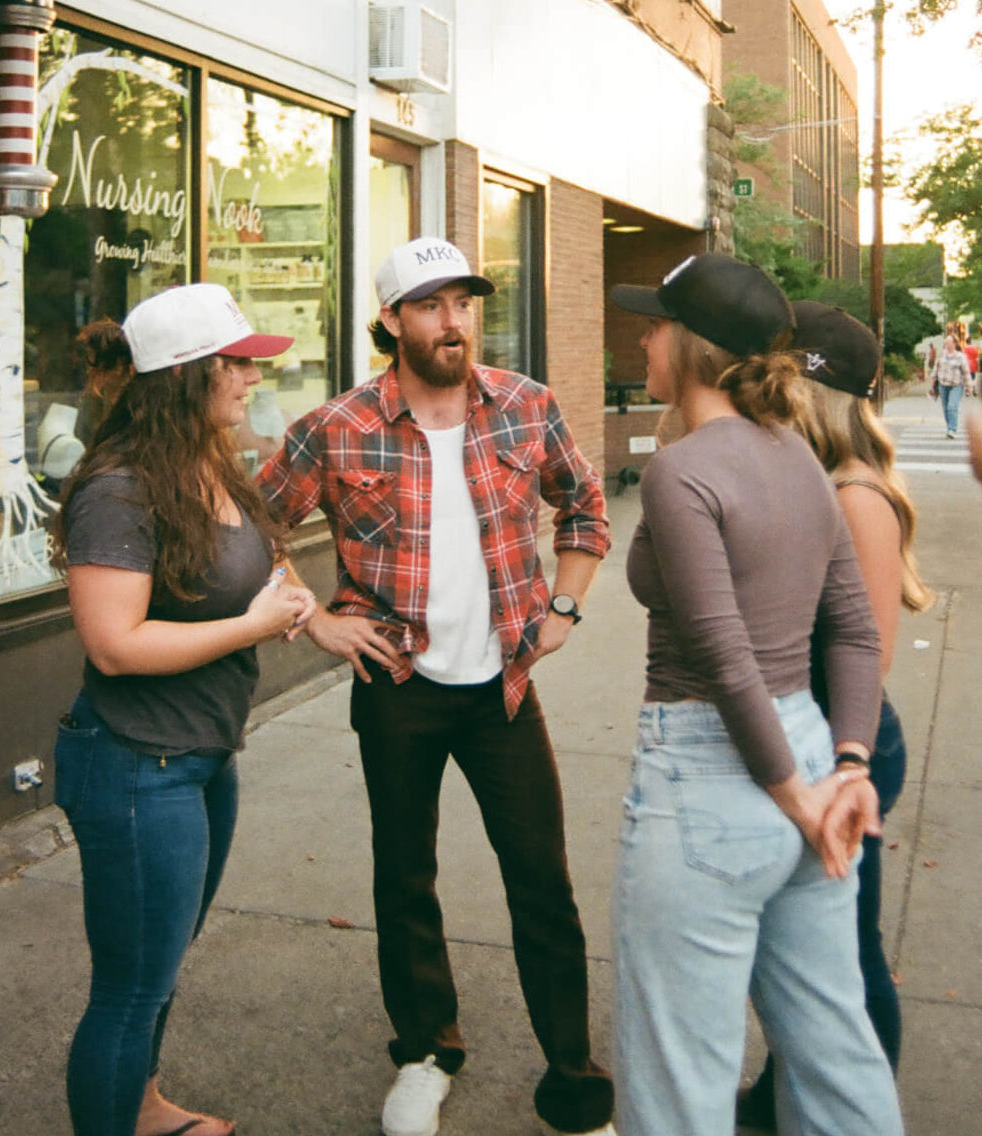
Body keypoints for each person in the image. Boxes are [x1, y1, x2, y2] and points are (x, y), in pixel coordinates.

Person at [257, 236, 615, 1136]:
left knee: (541, 880)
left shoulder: (526, 407)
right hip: (397, 683)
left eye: (462, 301)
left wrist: (565, 608)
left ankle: (573, 1082)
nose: (452, 320)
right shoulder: (338, 425)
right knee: (403, 872)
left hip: (504, 685)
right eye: (429, 304)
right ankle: (425, 1051)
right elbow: (246, 529)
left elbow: (584, 507)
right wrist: (314, 619)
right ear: (392, 321)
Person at [608, 253, 904, 1135]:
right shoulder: (804, 461)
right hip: (811, 748)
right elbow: (853, 631)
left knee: (679, 1082)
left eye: (655, 323)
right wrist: (845, 767)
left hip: (713, 776)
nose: (644, 335)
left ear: (693, 347)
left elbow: (720, 651)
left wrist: (792, 794)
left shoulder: (683, 472)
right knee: (835, 1050)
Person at [48, 283, 317, 1136]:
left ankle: (145, 1106)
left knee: (159, 967)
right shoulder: (119, 491)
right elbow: (114, 643)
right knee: (129, 989)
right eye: (234, 364)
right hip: (135, 765)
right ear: (186, 375)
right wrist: (250, 623)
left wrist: (291, 602)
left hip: (201, 757)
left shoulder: (209, 468)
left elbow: (256, 570)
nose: (249, 379)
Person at [736, 300, 934, 1131]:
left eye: (774, 383)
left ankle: (855, 1106)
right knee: (801, 955)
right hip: (802, 737)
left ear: (806, 392)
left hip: (841, 746)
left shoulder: (856, 497)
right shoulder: (810, 483)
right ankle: (789, 1096)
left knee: (845, 958)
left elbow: (870, 653)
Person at [75, 317, 134, 447]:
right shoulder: (93, 398)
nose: (89, 369)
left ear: (118, 365)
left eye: (92, 358)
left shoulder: (136, 404)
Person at [932, 333, 971, 437]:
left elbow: (966, 372)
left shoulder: (960, 356)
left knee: (952, 406)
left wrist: (968, 386)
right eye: (945, 342)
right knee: (945, 407)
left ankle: (952, 429)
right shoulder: (942, 354)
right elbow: (936, 366)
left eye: (948, 342)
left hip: (956, 385)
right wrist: (933, 378)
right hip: (943, 384)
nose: (946, 344)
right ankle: (949, 427)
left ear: (954, 344)